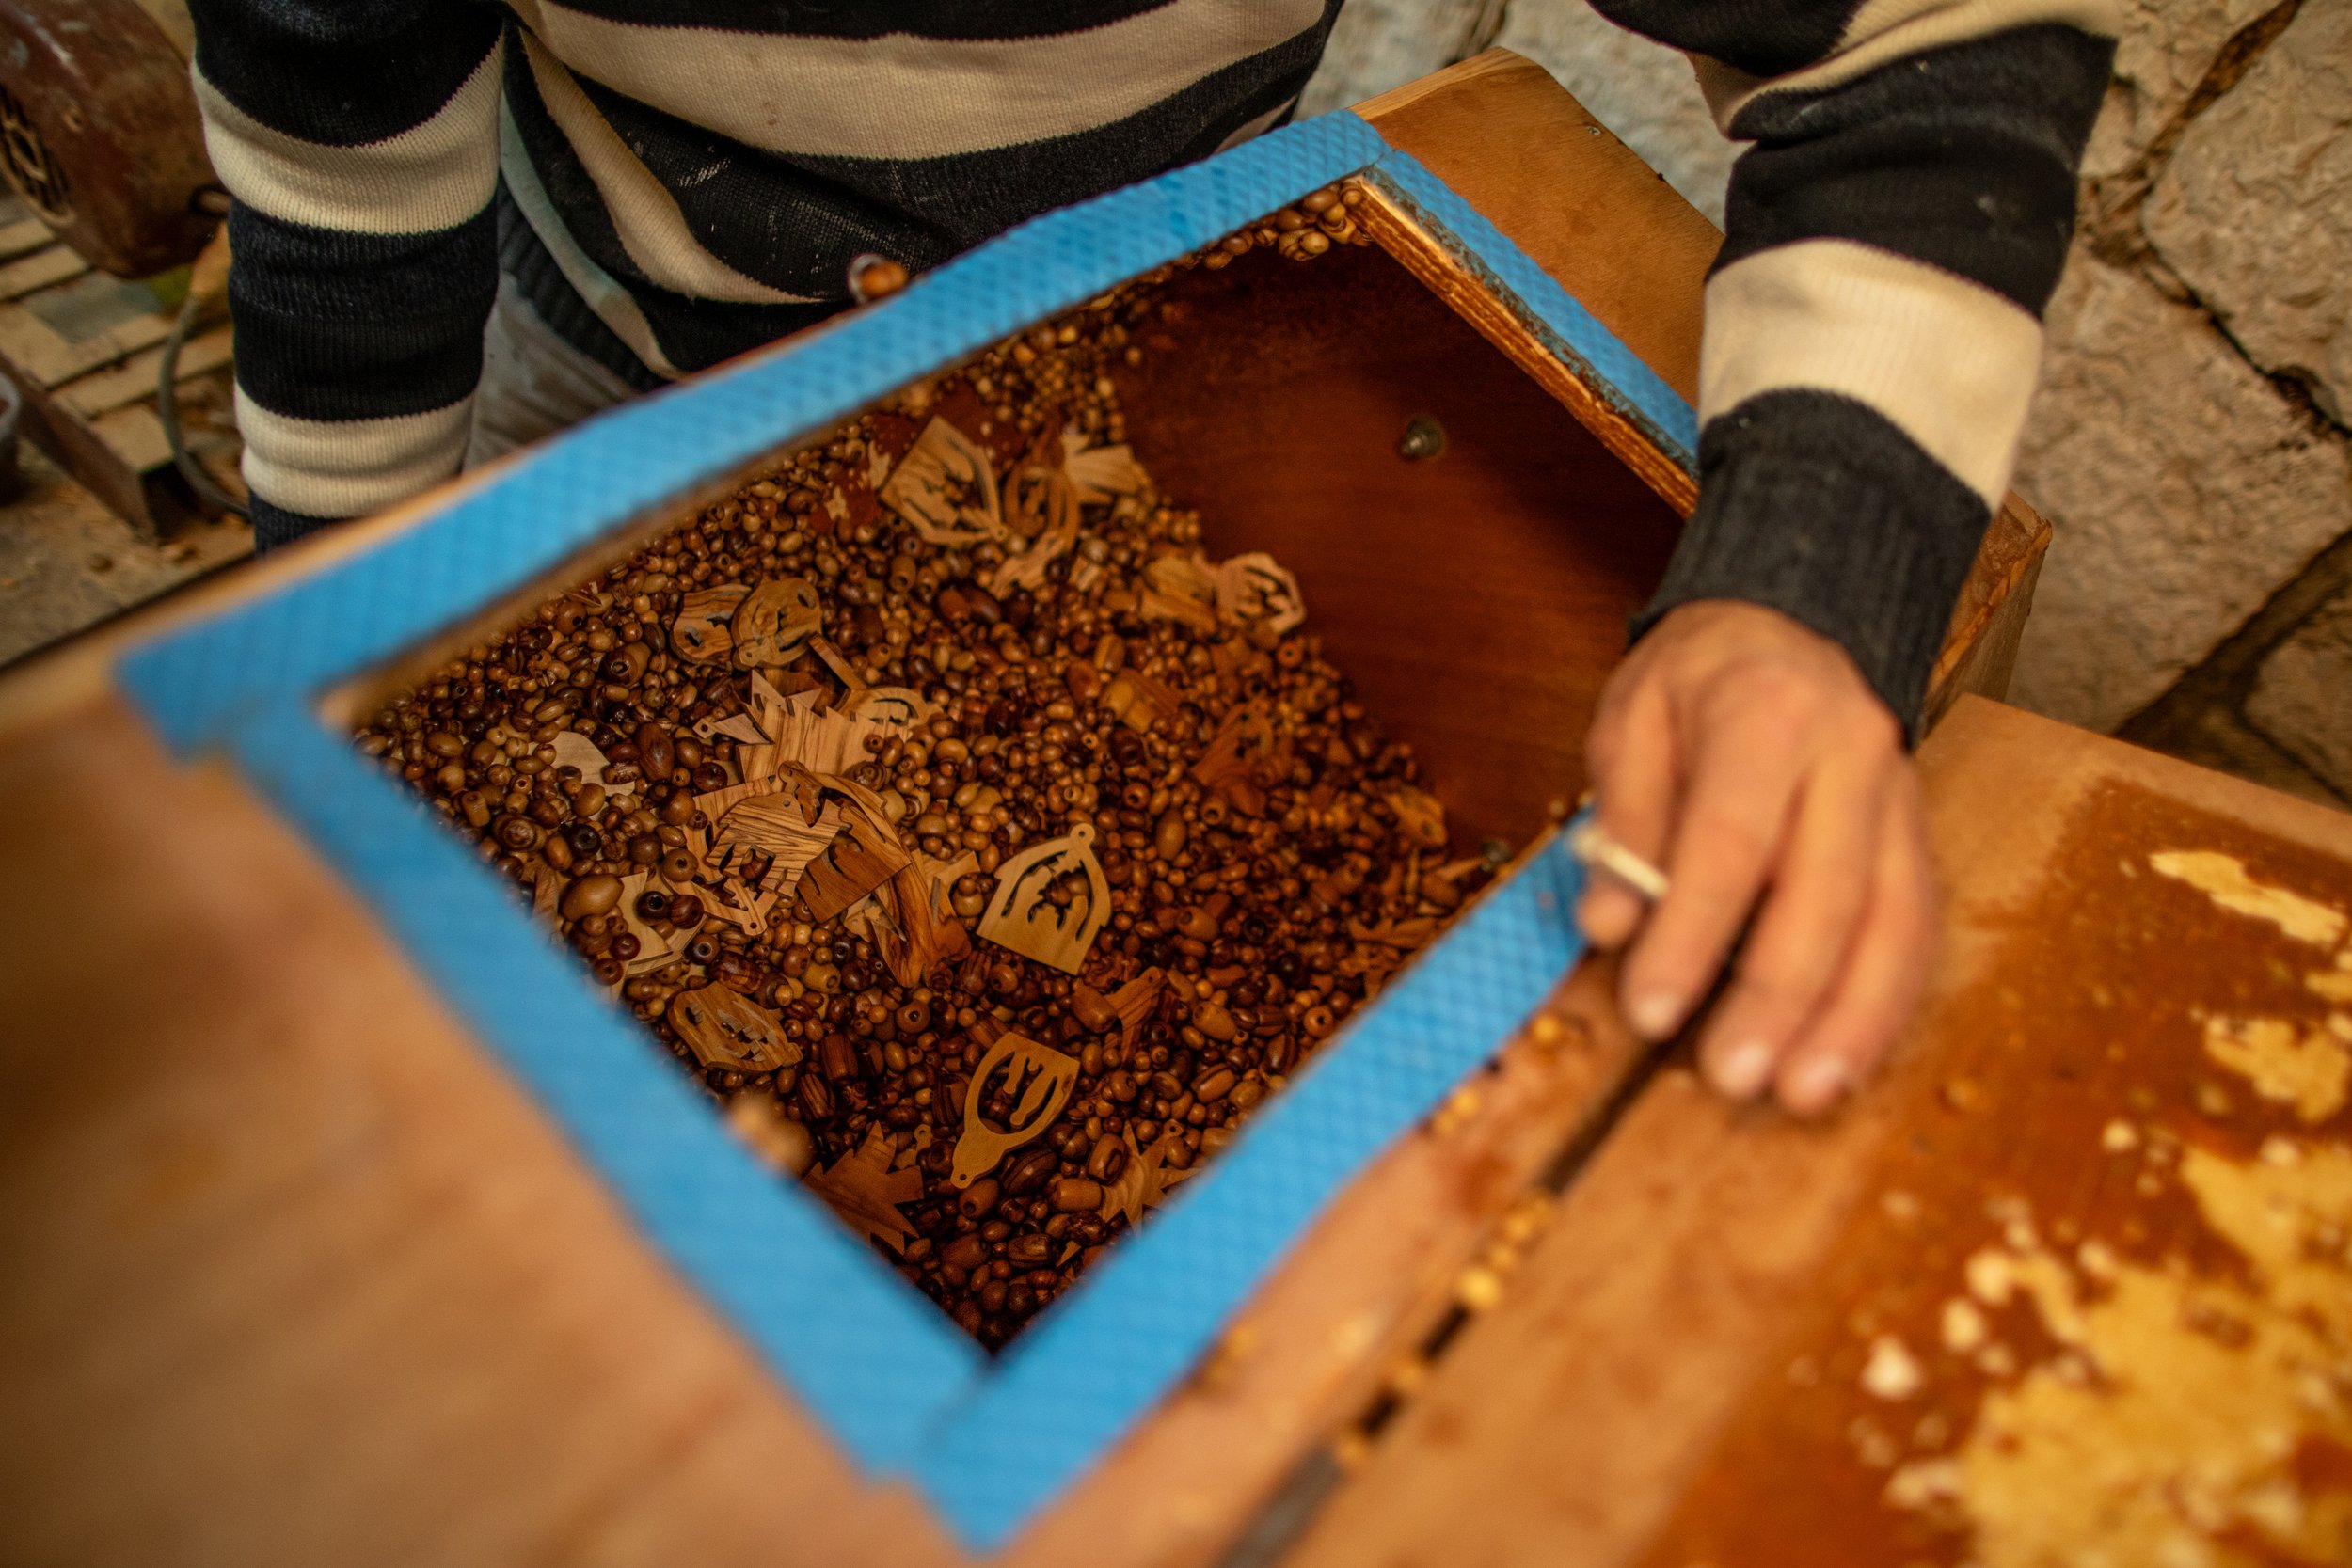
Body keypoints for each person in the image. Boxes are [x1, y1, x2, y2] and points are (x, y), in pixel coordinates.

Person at [188, 0, 2117, 1116]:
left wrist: (1802, 593)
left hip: (1093, 328)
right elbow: (344, 197)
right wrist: (330, 624)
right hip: (603, 334)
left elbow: (1926, 38)